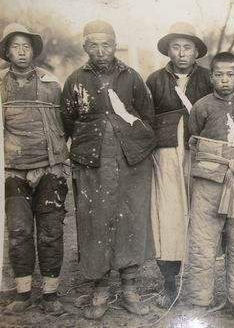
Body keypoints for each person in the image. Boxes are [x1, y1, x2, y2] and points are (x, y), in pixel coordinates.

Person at [61, 20, 156, 319]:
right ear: (85, 47)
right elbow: (67, 120)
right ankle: (100, 291)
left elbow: (146, 115)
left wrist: (129, 141)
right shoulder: (75, 80)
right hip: (92, 162)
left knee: (131, 219)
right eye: (93, 45)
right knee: (95, 222)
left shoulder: (132, 77)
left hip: (131, 161)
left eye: (106, 44)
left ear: (115, 45)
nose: (100, 51)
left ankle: (130, 289)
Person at [186, 52, 234, 322]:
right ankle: (199, 301)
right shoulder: (202, 107)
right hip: (208, 185)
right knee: (202, 243)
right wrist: (219, 165)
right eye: (218, 74)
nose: (224, 80)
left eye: (230, 74)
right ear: (210, 77)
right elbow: (194, 144)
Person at [0, 23, 69, 315]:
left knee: (51, 231)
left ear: (33, 51)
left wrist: (55, 162)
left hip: (50, 170)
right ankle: (24, 292)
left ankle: (51, 295)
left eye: (26, 46)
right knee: (18, 231)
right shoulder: (0, 84)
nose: (21, 52)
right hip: (13, 170)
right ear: (7, 51)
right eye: (15, 46)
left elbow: (66, 123)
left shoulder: (51, 82)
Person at [146, 22, 211, 308]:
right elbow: (145, 119)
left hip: (201, 152)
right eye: (176, 47)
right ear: (168, 51)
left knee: (201, 214)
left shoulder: (210, 78)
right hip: (167, 153)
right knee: (169, 215)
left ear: (196, 51)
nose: (182, 53)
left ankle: (199, 282)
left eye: (188, 47)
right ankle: (169, 283)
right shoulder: (154, 80)